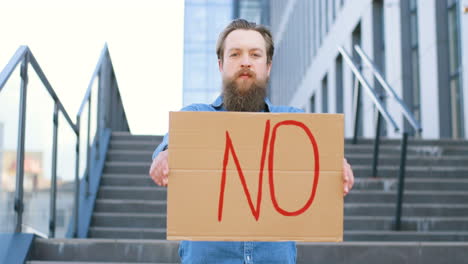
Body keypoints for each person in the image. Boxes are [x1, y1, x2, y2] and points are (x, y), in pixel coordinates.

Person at [150, 18, 355, 264]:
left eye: (255, 55)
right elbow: (171, 144)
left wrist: (337, 164)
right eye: (235, 54)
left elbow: (321, 155)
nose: (245, 62)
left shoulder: (293, 122)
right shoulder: (195, 116)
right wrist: (167, 155)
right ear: (221, 65)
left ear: (268, 66)